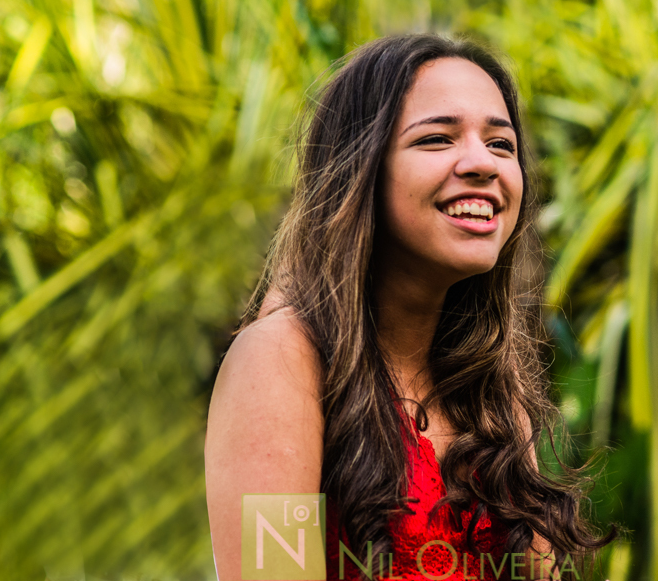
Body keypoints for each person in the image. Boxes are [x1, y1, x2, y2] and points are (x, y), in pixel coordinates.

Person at [205, 34, 614, 581]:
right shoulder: (280, 363)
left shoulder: (492, 395)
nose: (483, 162)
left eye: (501, 144)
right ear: (360, 172)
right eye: (437, 138)